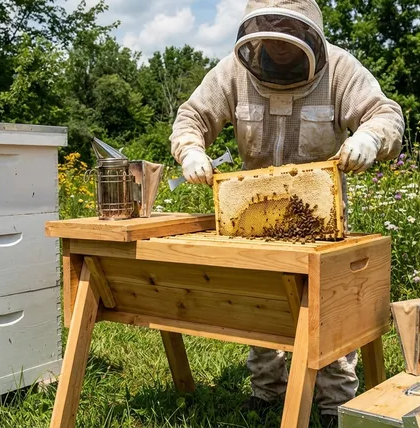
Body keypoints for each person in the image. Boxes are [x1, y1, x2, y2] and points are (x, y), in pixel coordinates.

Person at [169, 0, 405, 426]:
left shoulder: (340, 69)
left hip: (319, 217)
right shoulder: (233, 72)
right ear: (254, 30)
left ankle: (334, 403)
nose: (278, 44)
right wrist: (190, 150)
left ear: (309, 30)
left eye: (286, 30)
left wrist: (371, 136)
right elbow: (192, 116)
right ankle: (268, 392)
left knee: (329, 312)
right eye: (268, 30)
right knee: (263, 307)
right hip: (253, 215)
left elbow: (385, 113)